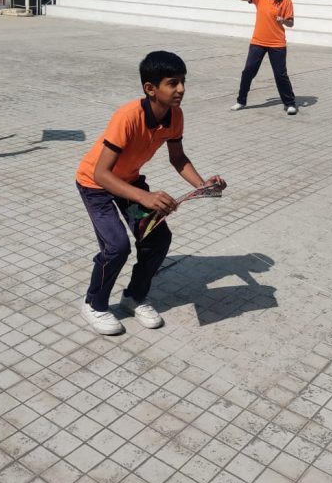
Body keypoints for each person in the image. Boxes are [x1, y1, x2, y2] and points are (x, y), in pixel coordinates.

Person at [76, 50, 227, 335]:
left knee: (157, 239)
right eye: (173, 83)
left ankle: (134, 297)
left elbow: (178, 159)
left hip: (128, 183)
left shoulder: (175, 115)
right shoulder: (128, 116)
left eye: (183, 81)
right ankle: (94, 304)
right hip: (96, 186)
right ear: (150, 88)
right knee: (116, 246)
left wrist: (202, 185)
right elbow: (101, 173)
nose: (181, 89)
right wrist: (144, 197)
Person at [227, 0, 297, 115]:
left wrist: (283, 20)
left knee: (280, 75)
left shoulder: (286, 1)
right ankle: (241, 101)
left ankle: (290, 103)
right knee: (248, 72)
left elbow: (291, 23)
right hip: (258, 42)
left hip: (277, 44)